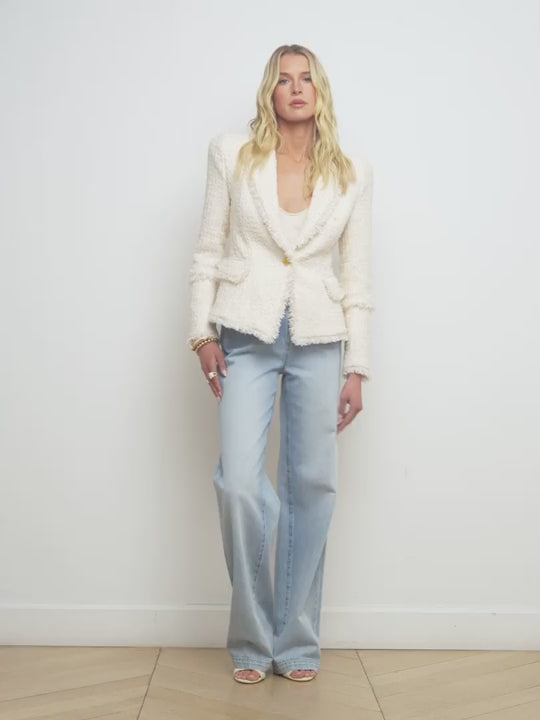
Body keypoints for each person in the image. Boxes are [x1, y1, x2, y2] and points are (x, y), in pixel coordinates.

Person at [187, 43, 374, 684]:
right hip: (245, 335)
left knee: (312, 486)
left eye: (307, 78)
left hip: (321, 338)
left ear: (320, 91)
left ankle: (295, 645)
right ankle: (251, 636)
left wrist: (358, 367)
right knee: (240, 484)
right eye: (285, 79)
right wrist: (201, 333)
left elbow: (357, 277)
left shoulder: (352, 172)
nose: (296, 88)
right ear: (270, 91)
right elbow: (208, 249)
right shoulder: (231, 155)